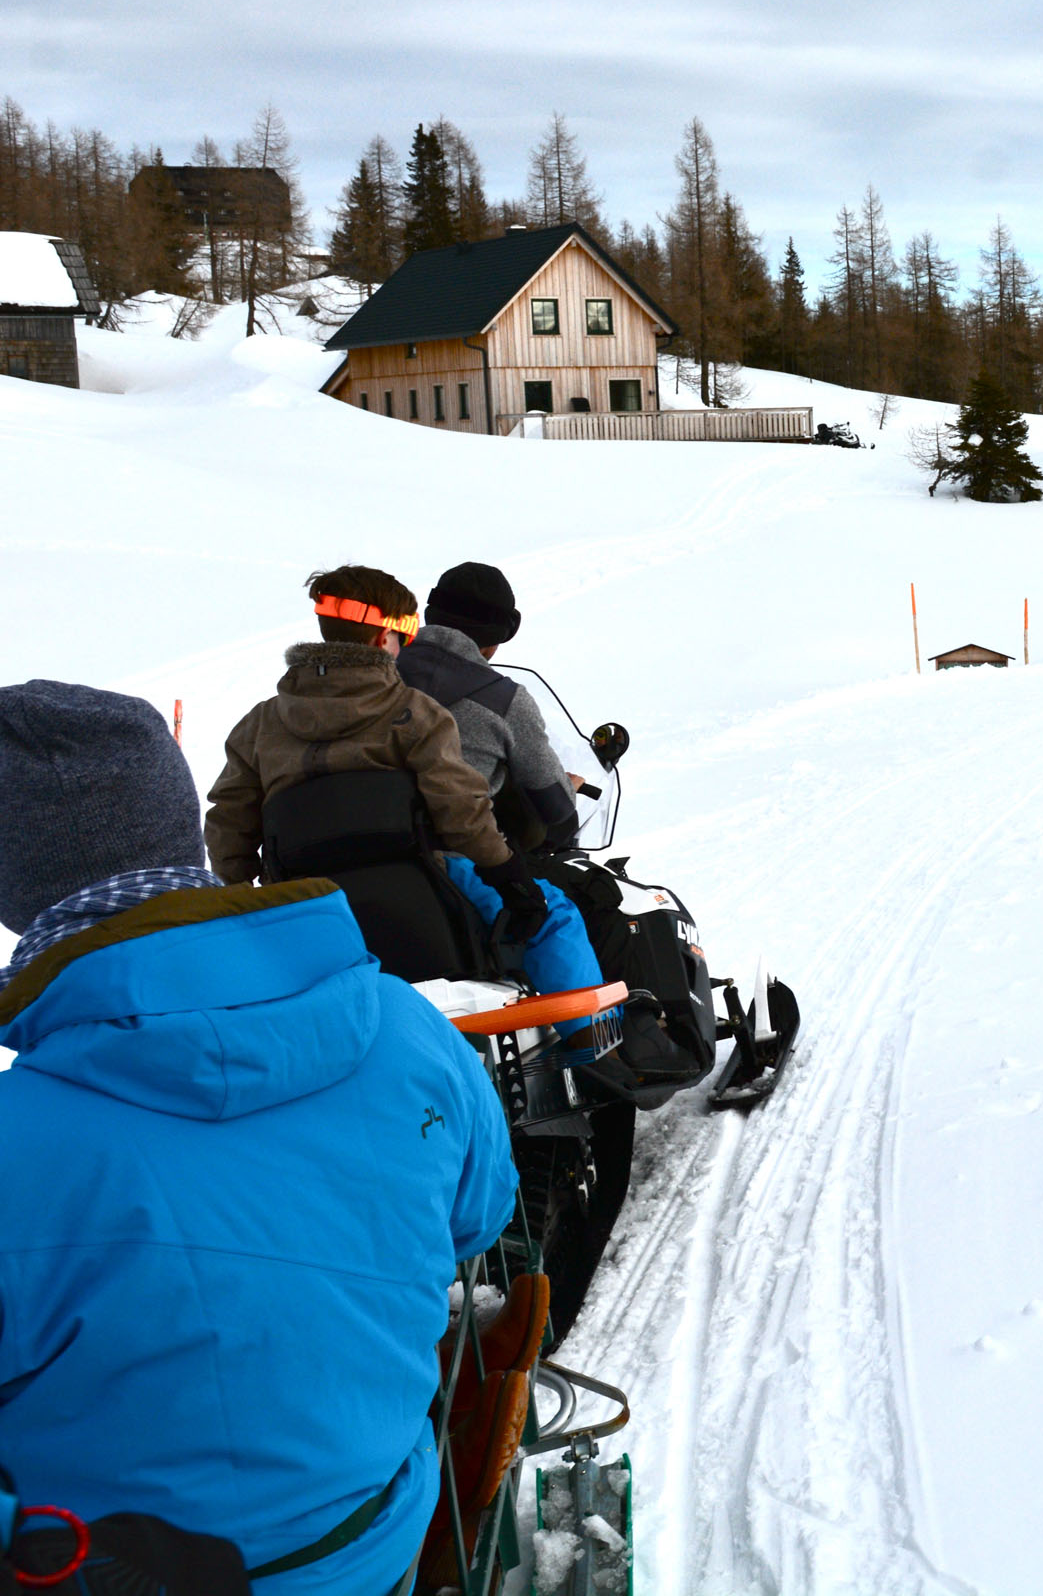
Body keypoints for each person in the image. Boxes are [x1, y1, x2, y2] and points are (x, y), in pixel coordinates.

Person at [0, 679, 518, 1594]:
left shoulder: (20, 1142)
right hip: (385, 1537)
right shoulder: (410, 1029)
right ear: (176, 824)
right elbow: (479, 1219)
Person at [204, 564, 551, 942]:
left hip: (302, 911)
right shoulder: (417, 715)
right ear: (385, 638)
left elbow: (228, 825)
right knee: (557, 918)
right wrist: (510, 876)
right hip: (415, 908)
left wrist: (242, 896)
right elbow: (462, 814)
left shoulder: (260, 724)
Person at [395, 562, 583, 852]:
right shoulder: (504, 701)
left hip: (360, 844)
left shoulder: (373, 673)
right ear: (498, 636)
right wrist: (568, 788)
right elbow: (555, 806)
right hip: (460, 861)